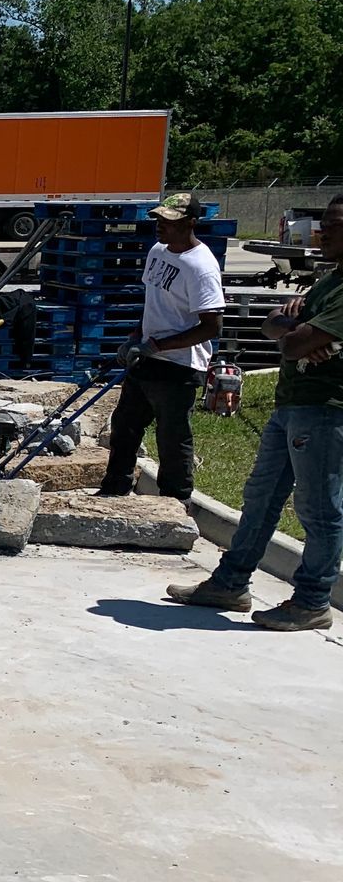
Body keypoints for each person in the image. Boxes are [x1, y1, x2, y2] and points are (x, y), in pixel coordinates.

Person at [168, 193, 343, 631]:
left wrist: (294, 333)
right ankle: (230, 583)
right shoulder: (329, 280)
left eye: (334, 225)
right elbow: (274, 327)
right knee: (261, 497)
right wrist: (291, 329)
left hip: (325, 410)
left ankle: (312, 600)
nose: (323, 231)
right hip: (292, 404)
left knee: (319, 509)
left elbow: (292, 344)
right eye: (323, 222)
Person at [98, 191, 226, 501]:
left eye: (169, 222)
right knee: (125, 425)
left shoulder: (201, 268)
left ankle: (176, 502)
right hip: (147, 354)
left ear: (191, 223)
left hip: (179, 365)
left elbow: (211, 327)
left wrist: (158, 345)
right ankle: (115, 488)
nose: (160, 226)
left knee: (172, 437)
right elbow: (153, 306)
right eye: (158, 219)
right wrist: (134, 339)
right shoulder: (158, 251)